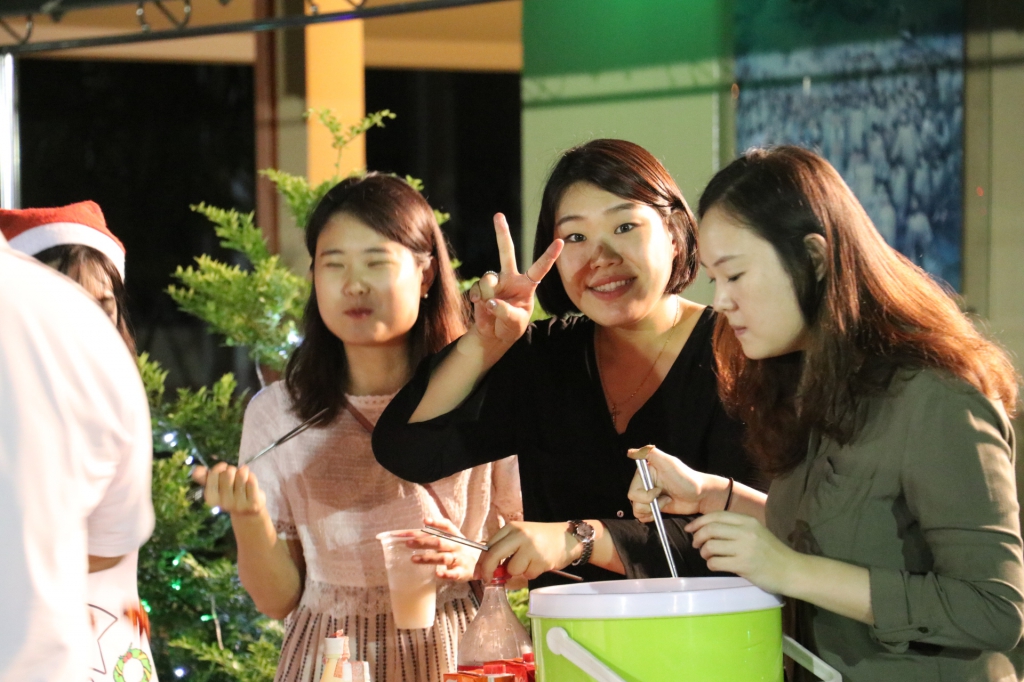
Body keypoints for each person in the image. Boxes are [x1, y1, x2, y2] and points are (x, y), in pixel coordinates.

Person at [629, 145, 1023, 680]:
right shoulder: (806, 378)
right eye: (715, 281)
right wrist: (711, 495)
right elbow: (840, 530)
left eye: (736, 275)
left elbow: (994, 610)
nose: (720, 301)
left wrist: (791, 571)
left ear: (814, 258)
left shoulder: (936, 398)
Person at [373, 139, 757, 586]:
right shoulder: (546, 358)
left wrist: (582, 539)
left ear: (673, 234)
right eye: (576, 237)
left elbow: (758, 535)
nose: (601, 259)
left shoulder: (739, 351)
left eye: (624, 227)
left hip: (712, 629)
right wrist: (482, 345)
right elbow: (407, 450)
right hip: (568, 632)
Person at [192, 173, 522, 682]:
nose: (354, 284)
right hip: (330, 660)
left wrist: (477, 559)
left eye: (375, 262)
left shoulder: (484, 394)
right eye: (334, 264)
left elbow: (535, 549)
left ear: (427, 274)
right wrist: (249, 516)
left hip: (457, 655)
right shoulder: (279, 413)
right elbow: (277, 600)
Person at [0, 202, 155, 682]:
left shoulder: (118, 385)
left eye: (103, 306)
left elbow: (114, 543)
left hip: (109, 645)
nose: (87, 324)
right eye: (69, 300)